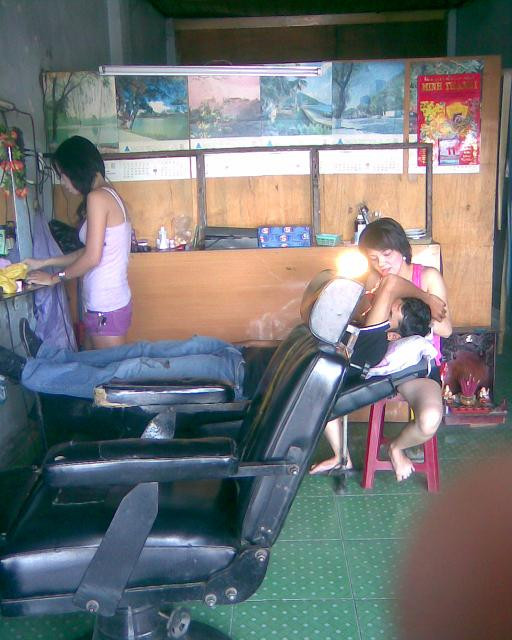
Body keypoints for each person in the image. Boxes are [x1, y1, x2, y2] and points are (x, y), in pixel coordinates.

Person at [311, 217, 451, 481]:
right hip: (377, 364)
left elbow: (446, 330)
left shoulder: (427, 276)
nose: (381, 264)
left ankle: (397, 448)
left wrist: (413, 315)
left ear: (402, 249)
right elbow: (364, 321)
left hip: (413, 368)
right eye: (373, 258)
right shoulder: (376, 278)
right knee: (321, 383)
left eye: (386, 255)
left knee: (430, 418)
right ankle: (341, 456)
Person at [24, 136, 132, 349]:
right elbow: (87, 251)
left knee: (110, 369)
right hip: (106, 302)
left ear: (77, 168)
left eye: (62, 175)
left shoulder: (97, 198)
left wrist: (53, 278)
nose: (63, 183)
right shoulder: (109, 194)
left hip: (106, 305)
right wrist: (44, 262)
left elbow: (92, 258)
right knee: (95, 364)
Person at [0, 321, 245, 402]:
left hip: (236, 378)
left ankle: (25, 371)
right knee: (141, 349)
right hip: (236, 354)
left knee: (130, 371)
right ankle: (52, 357)